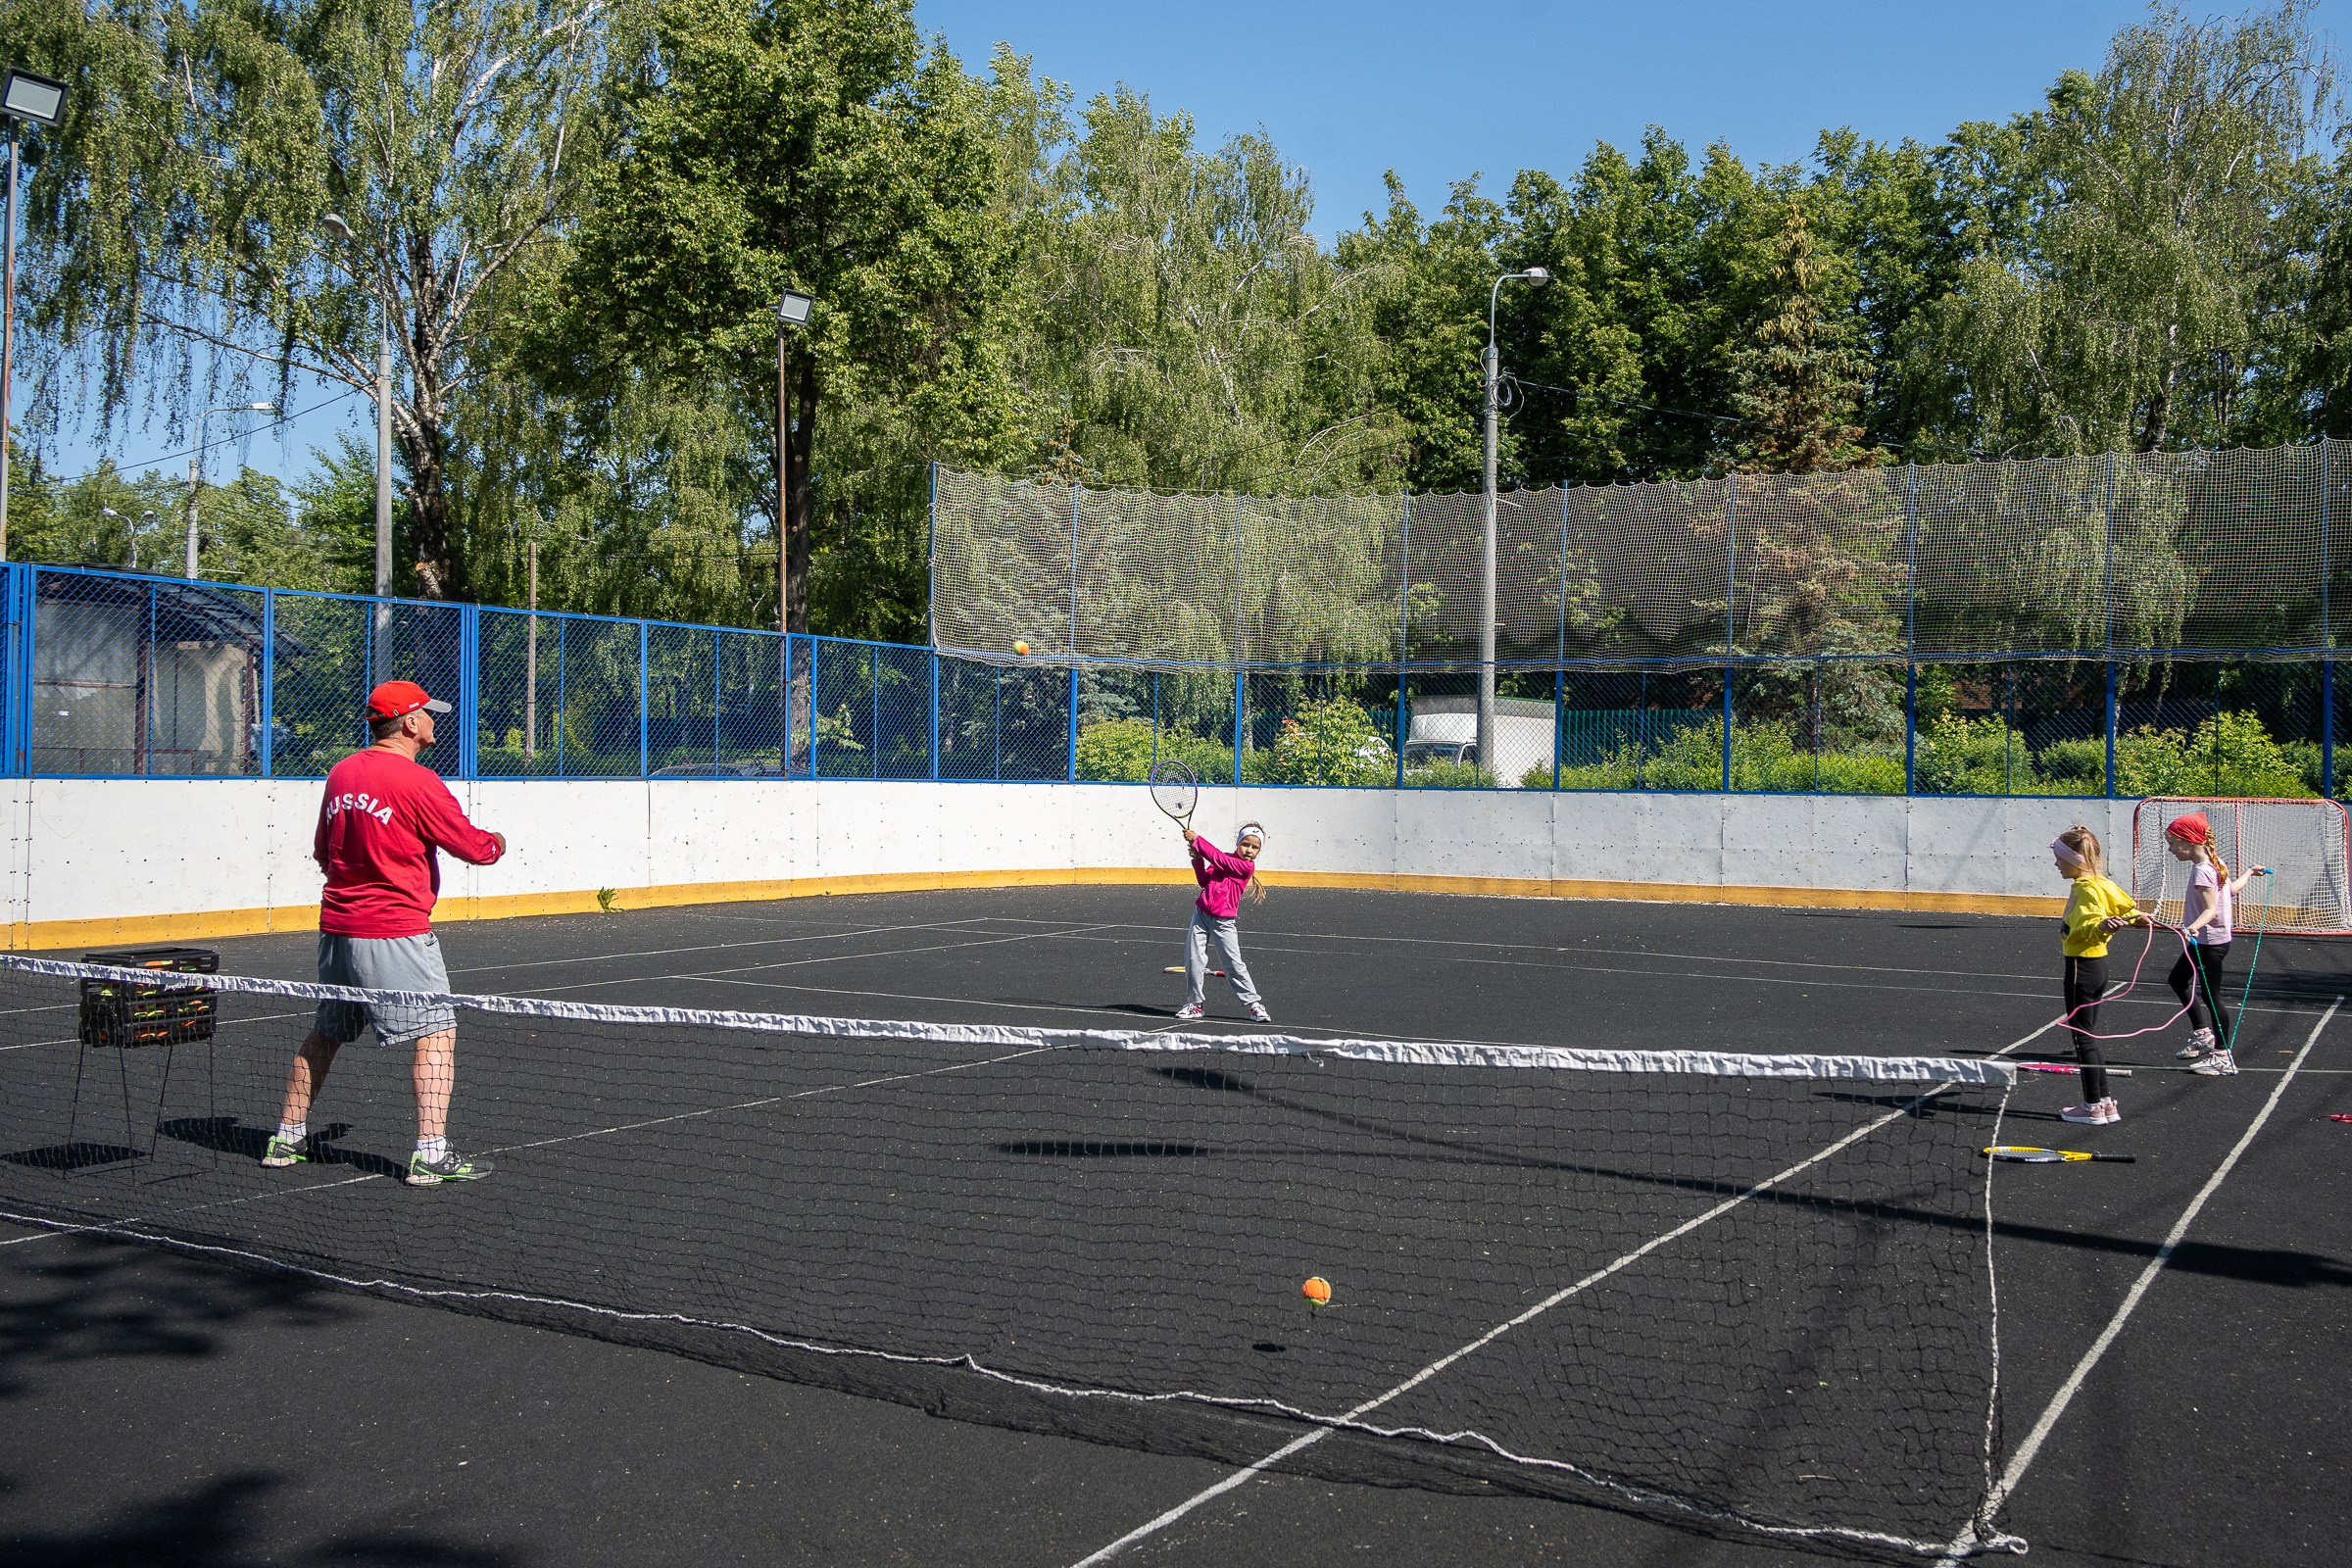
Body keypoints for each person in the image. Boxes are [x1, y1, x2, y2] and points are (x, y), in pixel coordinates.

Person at [262, 680, 508, 1186]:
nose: (435, 722)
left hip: (337, 929)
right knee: (436, 1031)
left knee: (326, 1033)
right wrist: (498, 841)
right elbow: (474, 848)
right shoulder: (417, 781)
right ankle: (431, 1153)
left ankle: (286, 1138)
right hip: (395, 931)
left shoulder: (341, 773)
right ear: (412, 723)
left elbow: (322, 853)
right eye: (428, 714)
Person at [2162, 810, 2267, 1076]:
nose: (2171, 849)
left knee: (2211, 996)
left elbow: (2210, 910)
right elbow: (2229, 891)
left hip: (2209, 944)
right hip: (2208, 941)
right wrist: (2249, 873)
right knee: (2177, 980)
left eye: (2173, 843)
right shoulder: (2216, 863)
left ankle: (2222, 1056)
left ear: (2188, 841)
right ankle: (2203, 1035)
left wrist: (2192, 927)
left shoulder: (2203, 872)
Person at [2052, 825, 2142, 1127]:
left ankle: (2092, 1106)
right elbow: (2128, 908)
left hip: (2081, 966)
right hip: (2098, 966)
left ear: (2074, 860)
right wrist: (2130, 919)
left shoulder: (2086, 888)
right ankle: (2104, 1102)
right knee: (2088, 1036)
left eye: (2059, 859)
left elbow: (2089, 921)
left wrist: (2102, 926)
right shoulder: (2101, 882)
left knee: (2082, 1039)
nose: (2056, 865)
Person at [1178, 820, 1269, 1023]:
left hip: (1224, 921)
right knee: (1193, 960)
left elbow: (1218, 858)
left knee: (1233, 964)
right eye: (1246, 844)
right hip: (1200, 914)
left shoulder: (1245, 867)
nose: (1249, 850)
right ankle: (1195, 1004)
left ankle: (1254, 1005)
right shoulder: (1224, 859)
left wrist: (1197, 841)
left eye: (1255, 848)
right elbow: (1204, 881)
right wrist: (1197, 860)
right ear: (1237, 843)